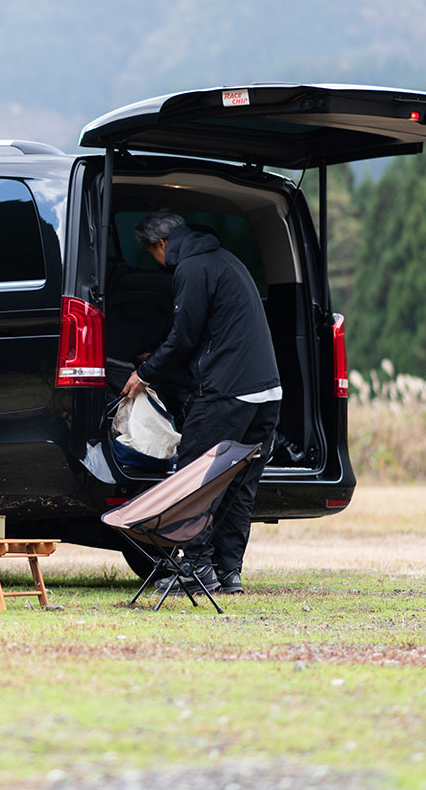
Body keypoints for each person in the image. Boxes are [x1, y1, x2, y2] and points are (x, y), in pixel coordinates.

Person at [121, 210, 281, 595]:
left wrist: (144, 374)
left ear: (160, 245)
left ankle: (194, 570)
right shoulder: (226, 260)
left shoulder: (191, 269)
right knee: (239, 483)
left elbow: (184, 337)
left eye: (152, 254)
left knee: (196, 477)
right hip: (267, 391)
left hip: (230, 389)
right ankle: (228, 573)